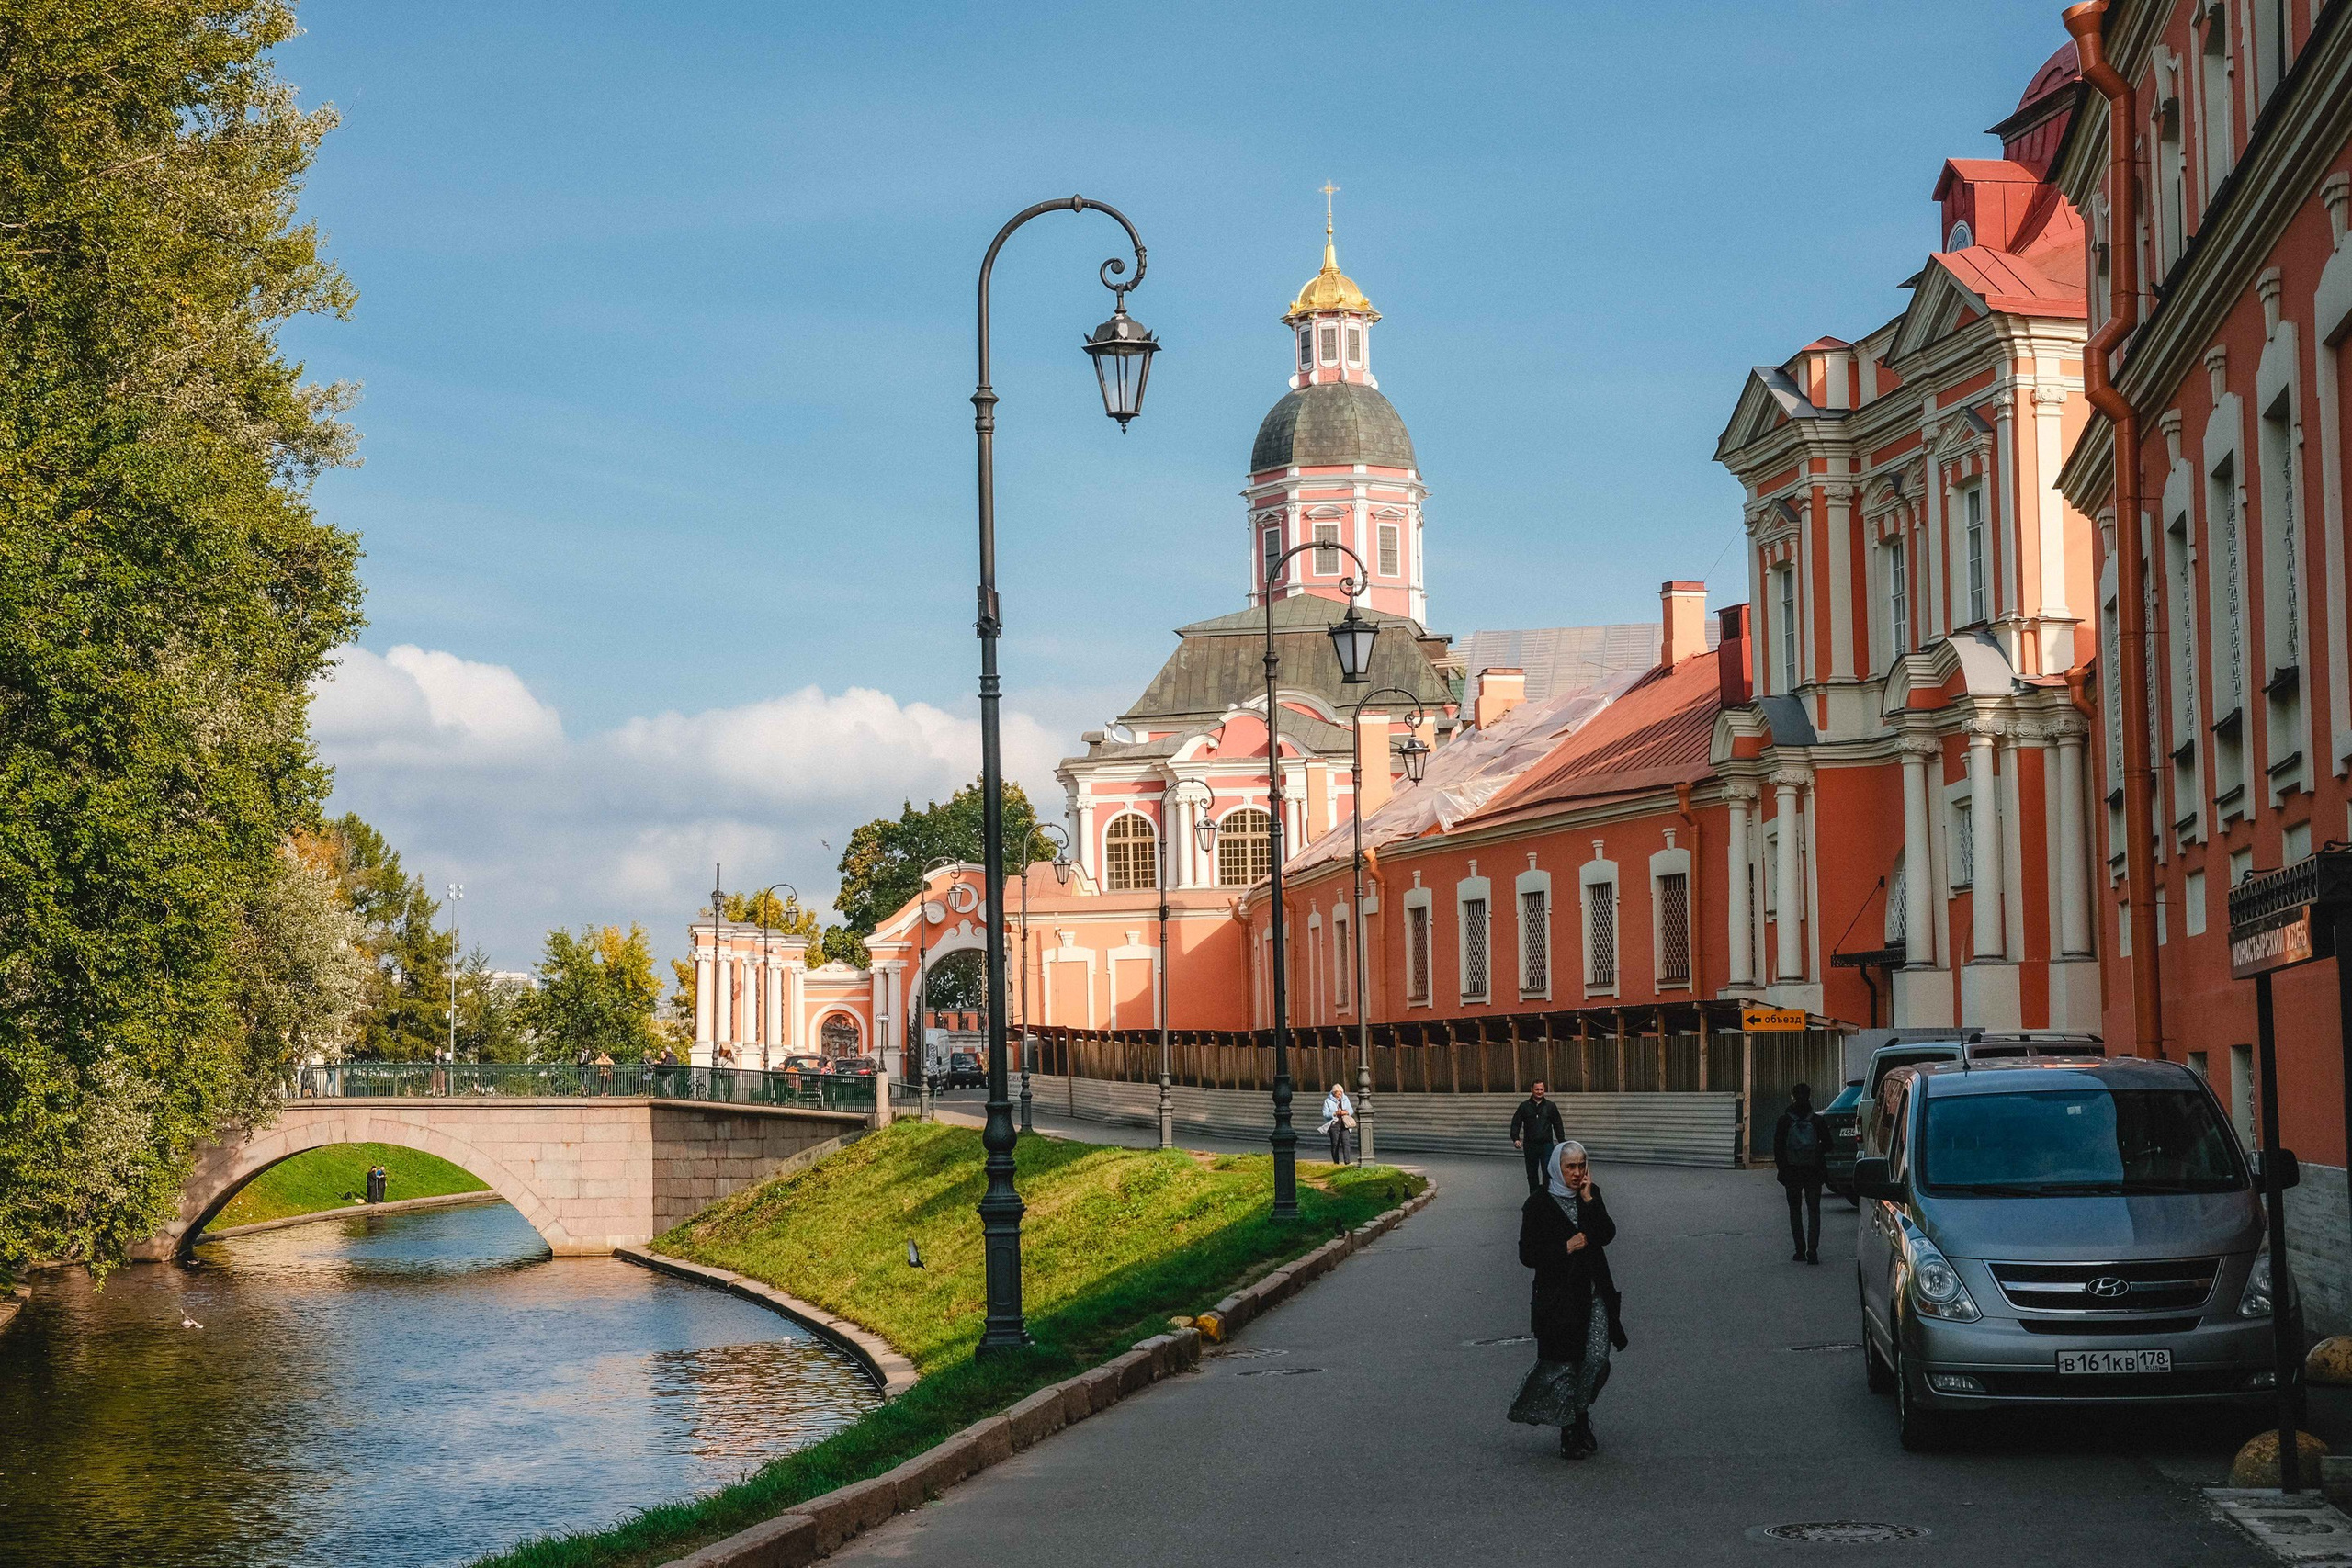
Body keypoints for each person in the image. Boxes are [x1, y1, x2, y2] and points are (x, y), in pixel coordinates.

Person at [1510, 1140, 1626, 1459]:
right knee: (1565, 1365)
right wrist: (1565, 1247)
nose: (1577, 1173)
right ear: (1556, 1169)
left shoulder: (1590, 1193)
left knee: (1596, 1358)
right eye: (1570, 1167)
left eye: (1581, 1165)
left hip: (1594, 1293)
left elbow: (1606, 1233)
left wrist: (1589, 1201)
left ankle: (1579, 1411)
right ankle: (1569, 1431)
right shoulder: (1538, 1204)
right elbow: (1527, 1255)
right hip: (1558, 1299)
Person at [1774, 1082, 1829, 1264]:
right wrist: (1816, 1154)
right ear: (1809, 1096)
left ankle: (1799, 1250)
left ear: (1793, 1097)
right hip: (1813, 1171)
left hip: (1792, 1172)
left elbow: (1778, 1148)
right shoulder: (1817, 1121)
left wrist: (1783, 1169)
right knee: (1814, 1210)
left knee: (1795, 1210)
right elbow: (1829, 1144)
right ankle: (1812, 1250)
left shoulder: (1784, 1121)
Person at [1510, 1082, 1566, 1194]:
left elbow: (1557, 1124)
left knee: (1548, 1173)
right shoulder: (1524, 1107)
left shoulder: (1550, 1106)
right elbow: (1516, 1123)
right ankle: (1534, 1198)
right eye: (1537, 1089)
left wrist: (1562, 1141)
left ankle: (1547, 1197)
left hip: (1546, 1146)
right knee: (1532, 1174)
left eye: (1542, 1089)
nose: (1539, 1092)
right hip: (1530, 1146)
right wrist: (1515, 1138)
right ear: (1532, 1090)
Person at [1321, 1082, 1355, 1164]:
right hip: (1334, 1125)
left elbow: (1351, 1111)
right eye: (1338, 1094)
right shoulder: (1327, 1101)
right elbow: (1325, 1114)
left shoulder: (1345, 1099)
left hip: (1344, 1124)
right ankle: (1336, 1162)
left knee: (1346, 1143)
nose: (1340, 1095)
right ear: (1334, 1093)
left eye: (1341, 1093)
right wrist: (1335, 1113)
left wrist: (1345, 1112)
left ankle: (1347, 1162)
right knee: (1335, 1144)